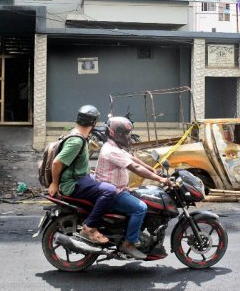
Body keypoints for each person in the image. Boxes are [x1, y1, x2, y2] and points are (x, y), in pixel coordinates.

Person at [94, 117, 172, 260]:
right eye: (125, 133)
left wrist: (152, 170)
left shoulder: (115, 146)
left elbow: (133, 159)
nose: (128, 136)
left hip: (119, 189)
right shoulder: (111, 150)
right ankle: (129, 244)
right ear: (115, 134)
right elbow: (134, 167)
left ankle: (135, 233)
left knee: (142, 196)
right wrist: (160, 179)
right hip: (113, 194)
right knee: (141, 208)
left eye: (128, 133)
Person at [48, 105, 117, 244]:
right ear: (94, 123)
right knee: (110, 190)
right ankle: (89, 227)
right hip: (73, 184)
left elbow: (75, 162)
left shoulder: (76, 134)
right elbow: (56, 163)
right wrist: (54, 183)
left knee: (108, 183)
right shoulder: (76, 141)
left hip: (79, 177)